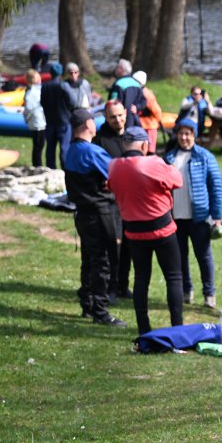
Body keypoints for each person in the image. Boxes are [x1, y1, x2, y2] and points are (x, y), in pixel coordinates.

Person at [107, 126, 184, 335]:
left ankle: (143, 328)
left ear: (124, 145)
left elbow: (110, 186)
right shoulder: (154, 162)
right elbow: (177, 181)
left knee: (141, 278)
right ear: (144, 145)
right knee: (174, 277)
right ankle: (177, 328)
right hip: (162, 229)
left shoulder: (113, 165)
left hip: (133, 231)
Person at [62, 109, 126, 327]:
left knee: (88, 260)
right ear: (88, 124)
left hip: (82, 214)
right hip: (100, 214)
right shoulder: (91, 152)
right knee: (103, 262)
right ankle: (101, 311)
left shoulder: (71, 150)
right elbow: (117, 174)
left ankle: (87, 305)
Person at [164, 118, 222, 310]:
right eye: (181, 133)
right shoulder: (169, 158)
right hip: (176, 218)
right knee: (180, 257)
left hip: (199, 218)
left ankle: (209, 294)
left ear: (194, 135)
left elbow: (216, 187)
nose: (184, 137)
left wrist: (216, 215)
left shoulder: (205, 157)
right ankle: (186, 291)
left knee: (204, 257)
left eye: (188, 134)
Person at [94, 99, 133, 299]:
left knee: (129, 245)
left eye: (120, 115)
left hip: (132, 200)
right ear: (105, 118)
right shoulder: (100, 140)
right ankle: (110, 286)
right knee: (113, 245)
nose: (117, 120)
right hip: (111, 201)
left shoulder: (133, 135)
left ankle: (123, 284)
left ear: (125, 113)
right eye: (112, 117)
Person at [39, 62, 72, 169]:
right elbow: (72, 102)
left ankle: (50, 168)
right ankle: (65, 169)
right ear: (61, 73)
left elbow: (42, 102)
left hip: (49, 121)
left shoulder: (44, 86)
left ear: (50, 73)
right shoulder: (64, 85)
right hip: (64, 121)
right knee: (64, 148)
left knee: (50, 147)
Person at [107, 59, 146, 128]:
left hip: (120, 122)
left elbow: (113, 103)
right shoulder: (136, 84)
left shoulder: (118, 84)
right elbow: (143, 101)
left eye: (117, 67)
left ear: (121, 69)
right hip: (134, 121)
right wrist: (137, 107)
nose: (115, 69)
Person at [133, 71, 164, 154]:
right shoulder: (140, 92)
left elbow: (156, 110)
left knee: (150, 149)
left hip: (149, 125)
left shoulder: (147, 94)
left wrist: (159, 119)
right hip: (142, 124)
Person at [23, 70, 46, 167]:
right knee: (38, 145)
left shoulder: (35, 89)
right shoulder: (31, 92)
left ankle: (37, 164)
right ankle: (37, 165)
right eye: (38, 77)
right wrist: (27, 118)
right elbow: (28, 108)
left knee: (39, 145)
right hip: (37, 123)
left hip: (39, 121)